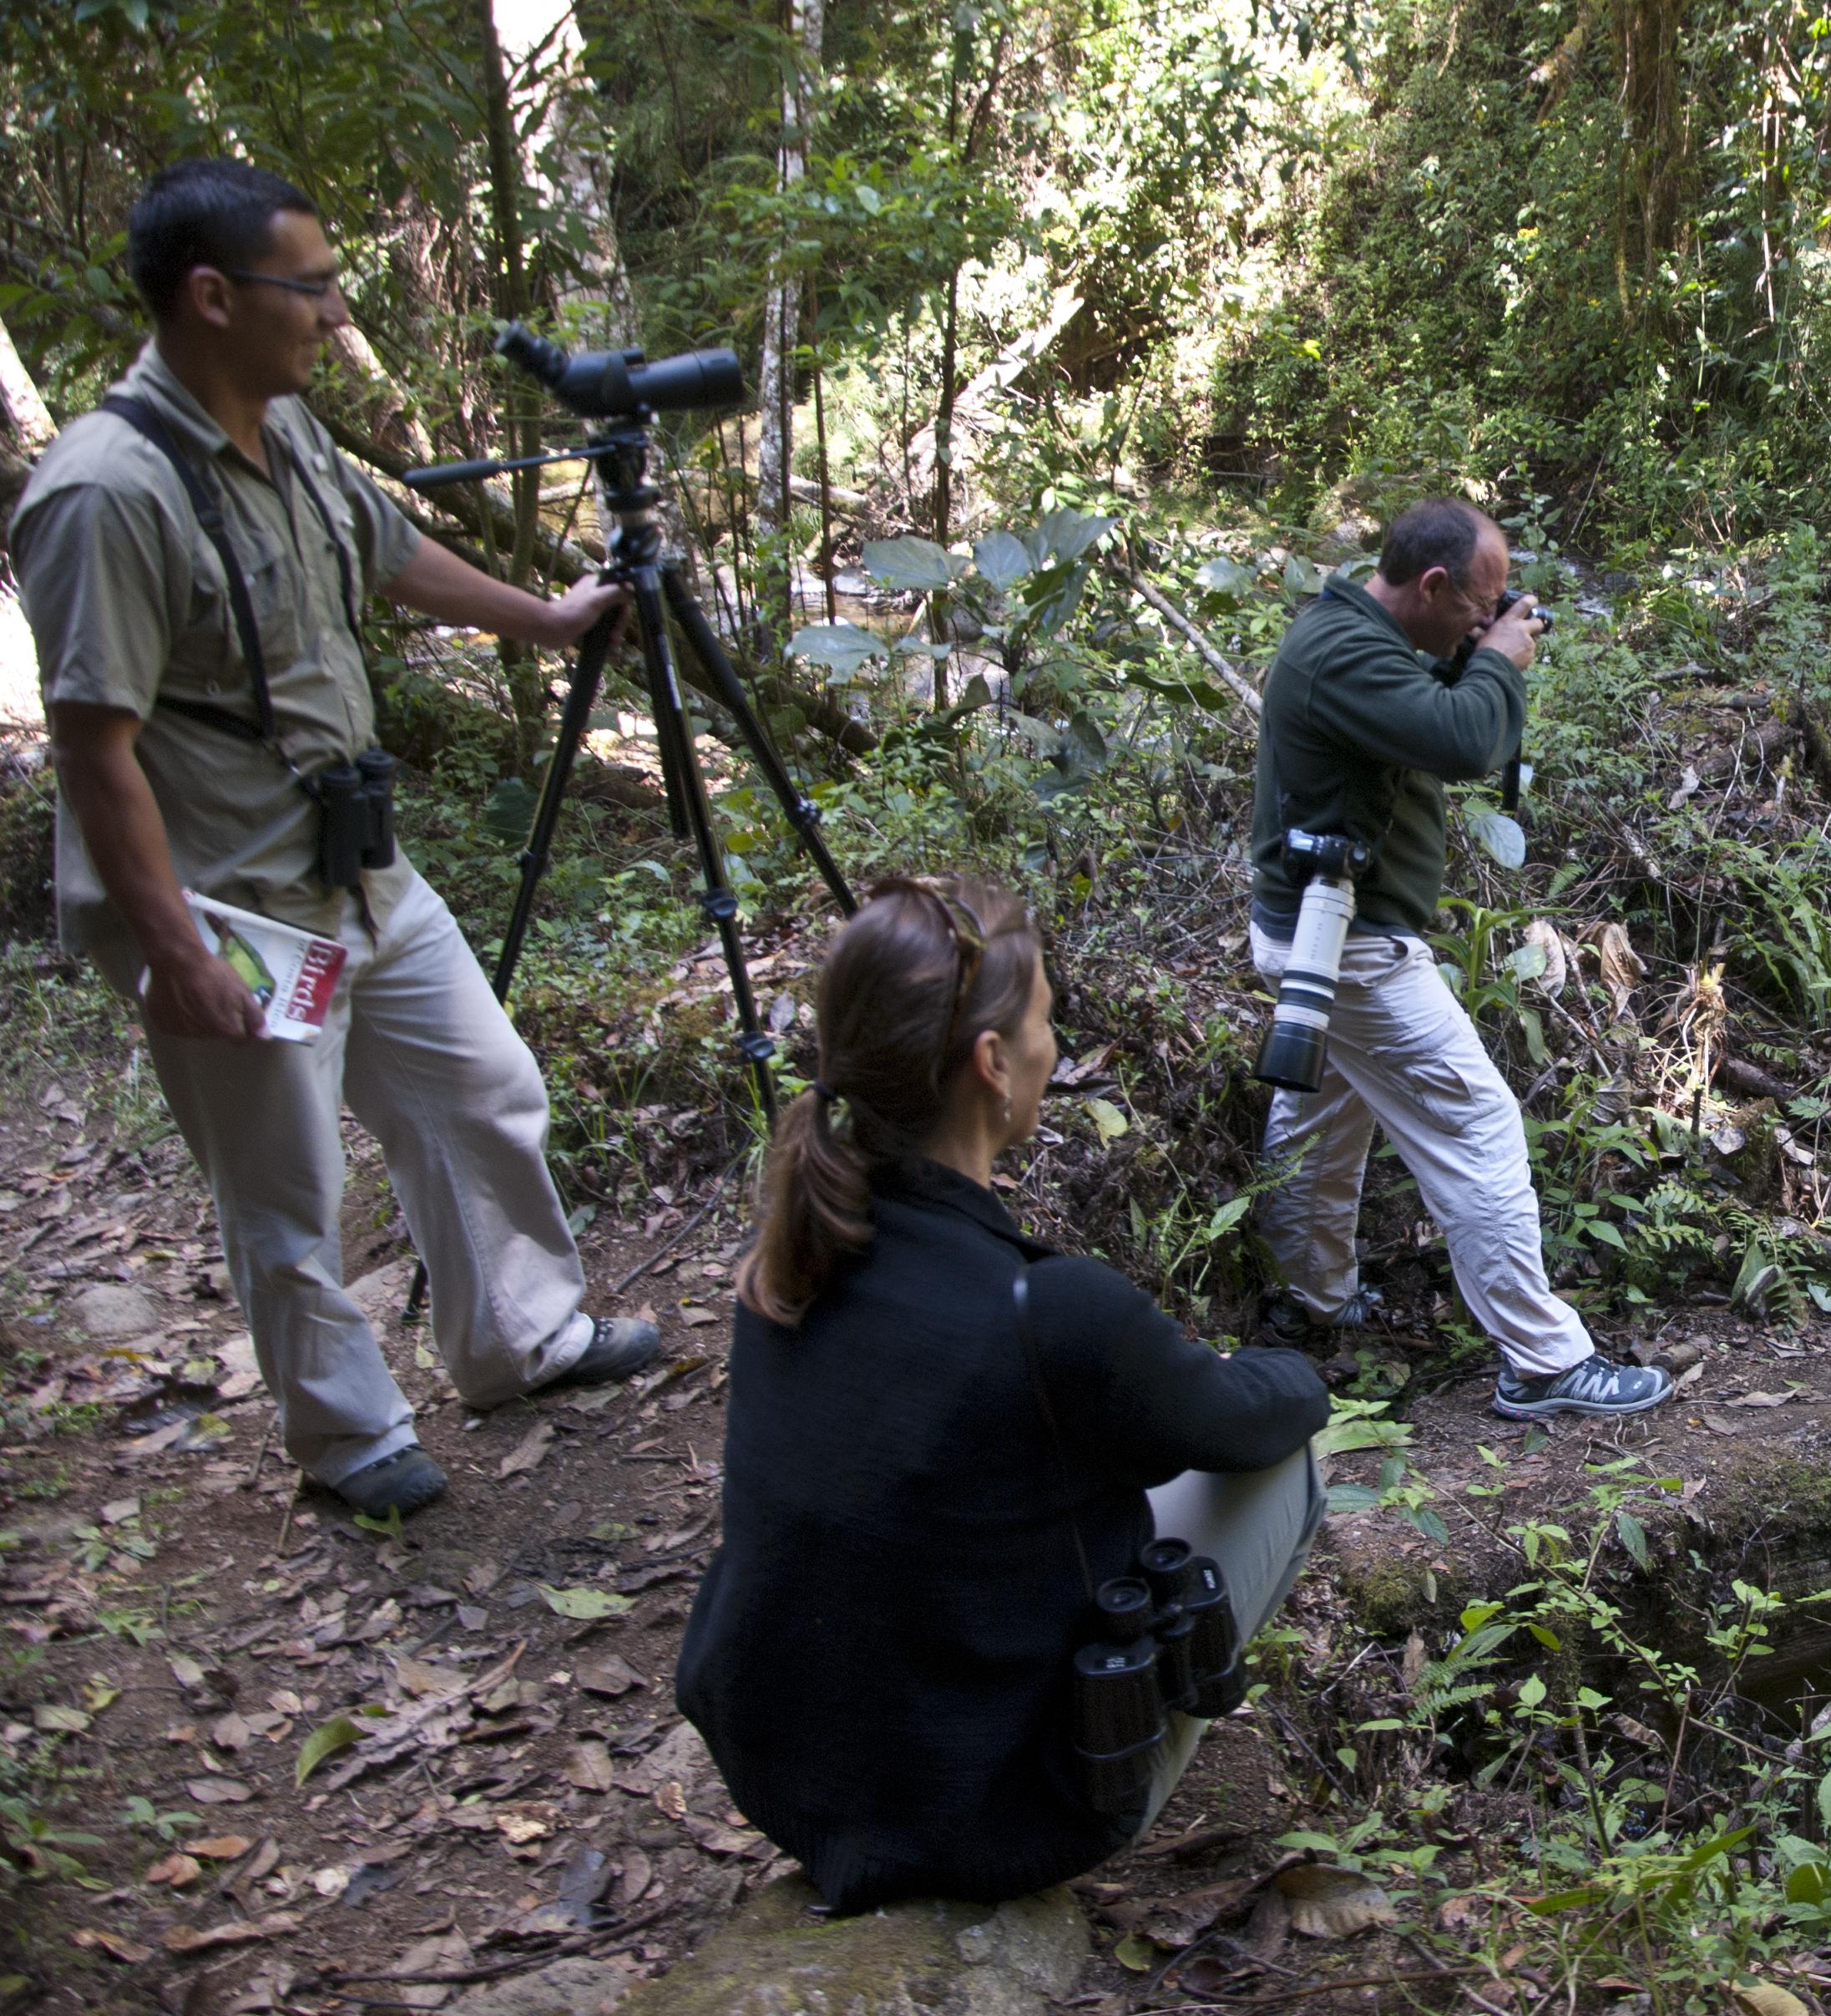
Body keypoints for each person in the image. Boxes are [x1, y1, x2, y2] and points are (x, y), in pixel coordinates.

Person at [11, 158, 658, 1518]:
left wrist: (541, 617)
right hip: (236, 913)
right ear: (209, 296)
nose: (329, 310)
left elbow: (384, 547)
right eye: (306, 285)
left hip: (360, 874)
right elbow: (92, 744)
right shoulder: (107, 491)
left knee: (480, 1087)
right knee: (284, 1187)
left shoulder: (285, 426)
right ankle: (349, 1432)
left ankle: (520, 1337)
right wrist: (172, 944)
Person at [677, 876, 1330, 1912]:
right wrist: (1275, 1367)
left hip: (787, 1782)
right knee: (1290, 1461)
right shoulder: (1048, 1311)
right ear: (990, 1063)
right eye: (1043, 1024)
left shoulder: (789, 1262)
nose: (1050, 1046)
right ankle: (1122, 1749)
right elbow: (1255, 1418)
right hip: (994, 1820)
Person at [1247, 497, 1672, 1421]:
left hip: (1325, 937)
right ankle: (1545, 1362)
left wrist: (1476, 651)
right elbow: (1464, 739)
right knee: (1477, 1126)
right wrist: (1498, 664)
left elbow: (1441, 713)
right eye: (1475, 607)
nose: (1486, 623)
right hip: (1348, 949)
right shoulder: (1342, 654)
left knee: (1319, 1124)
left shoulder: (1360, 636)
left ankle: (1308, 1298)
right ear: (1429, 584)